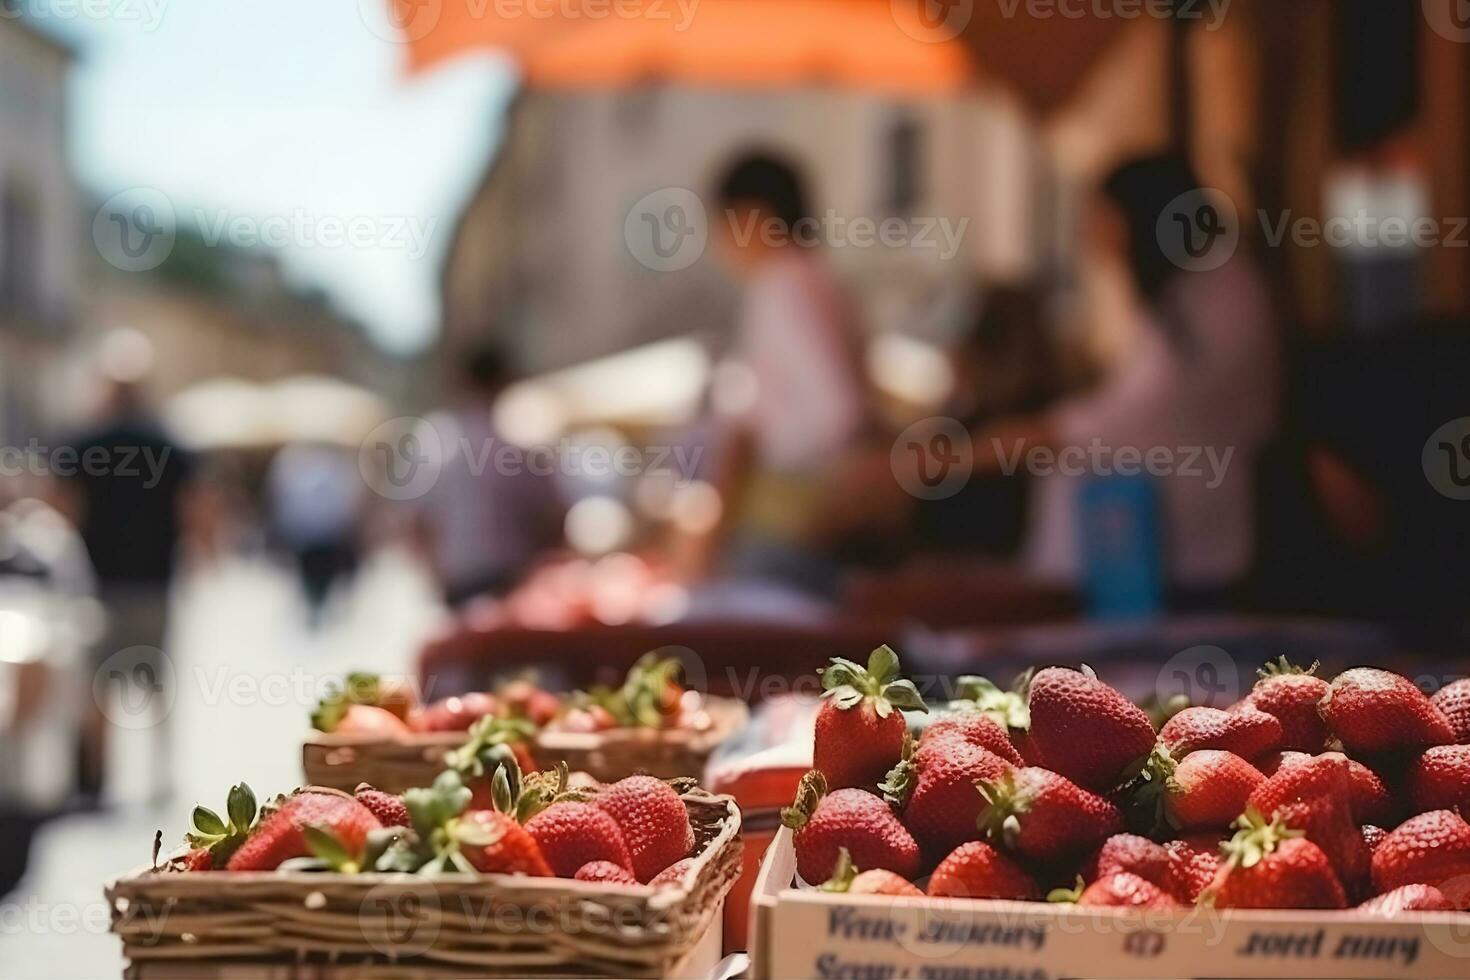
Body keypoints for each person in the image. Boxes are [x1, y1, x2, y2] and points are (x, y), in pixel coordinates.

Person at [971, 153, 1280, 606]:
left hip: (1191, 557)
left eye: (1099, 215)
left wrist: (998, 447)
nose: (1088, 233)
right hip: (1181, 547)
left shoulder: (1211, 295)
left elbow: (1131, 415)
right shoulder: (1187, 294)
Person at [700, 150, 869, 594]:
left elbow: (838, 411)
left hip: (789, 521)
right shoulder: (820, 281)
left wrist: (750, 447)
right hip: (818, 518)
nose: (720, 243)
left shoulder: (780, 284)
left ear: (752, 216)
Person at [59, 376, 194, 802]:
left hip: (98, 582)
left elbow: (63, 503)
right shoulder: (166, 445)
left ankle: (98, 781)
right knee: (156, 682)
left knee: (98, 684)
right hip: (154, 580)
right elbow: (192, 504)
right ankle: (160, 773)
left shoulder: (87, 442)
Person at [415, 346, 566, 608]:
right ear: (504, 380)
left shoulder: (435, 440)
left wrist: (435, 573)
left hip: (461, 577)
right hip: (511, 580)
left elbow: (417, 523)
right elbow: (554, 517)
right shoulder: (518, 442)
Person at [265, 442, 363, 621]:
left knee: (316, 579)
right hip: (317, 536)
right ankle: (316, 608)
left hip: (313, 537)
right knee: (316, 579)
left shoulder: (293, 464)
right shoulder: (331, 466)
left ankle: (316, 608)